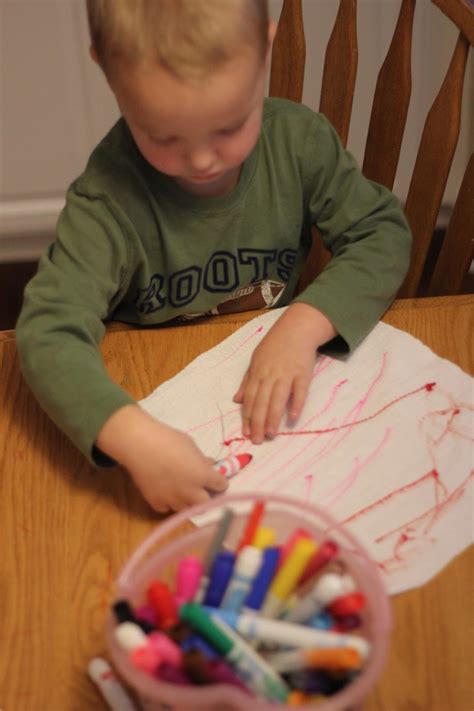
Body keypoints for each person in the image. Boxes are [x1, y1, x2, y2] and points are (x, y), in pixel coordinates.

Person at [16, 0, 411, 513]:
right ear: (109, 74)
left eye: (228, 127)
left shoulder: (298, 142)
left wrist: (303, 325)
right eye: (164, 136)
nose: (202, 161)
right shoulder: (107, 200)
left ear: (264, 51)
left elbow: (380, 232)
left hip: (274, 372)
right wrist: (132, 438)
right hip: (154, 385)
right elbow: (48, 332)